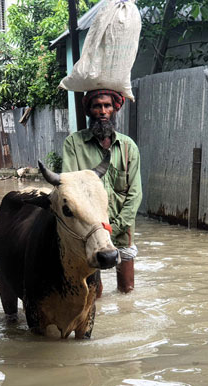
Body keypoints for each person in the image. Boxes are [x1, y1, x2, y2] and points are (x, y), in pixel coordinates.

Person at [62, 89, 142, 296]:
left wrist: (114, 228)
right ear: (89, 111)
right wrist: (98, 230)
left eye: (107, 106)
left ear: (115, 108)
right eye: (97, 106)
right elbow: (71, 189)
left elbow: (135, 194)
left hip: (122, 229)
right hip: (88, 231)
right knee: (93, 294)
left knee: (127, 290)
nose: (103, 111)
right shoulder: (74, 144)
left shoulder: (128, 147)